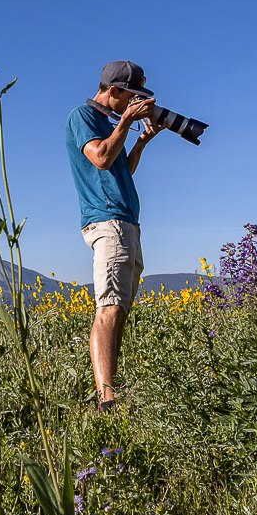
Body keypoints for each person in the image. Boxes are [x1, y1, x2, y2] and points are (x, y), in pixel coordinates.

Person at [65, 60, 160, 412]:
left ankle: (112, 390)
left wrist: (141, 143)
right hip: (109, 223)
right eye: (132, 97)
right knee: (108, 308)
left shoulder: (108, 124)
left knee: (119, 309)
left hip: (126, 222)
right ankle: (107, 399)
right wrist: (124, 123)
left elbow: (121, 167)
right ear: (114, 91)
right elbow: (102, 158)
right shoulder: (83, 117)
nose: (135, 105)